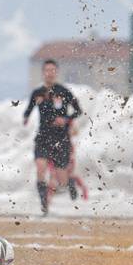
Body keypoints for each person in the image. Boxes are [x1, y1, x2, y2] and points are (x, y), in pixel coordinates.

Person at [23, 59, 82, 215]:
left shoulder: (64, 91)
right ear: (43, 73)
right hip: (43, 136)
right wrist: (25, 117)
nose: (50, 73)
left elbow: (78, 110)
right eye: (47, 70)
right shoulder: (38, 93)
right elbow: (28, 110)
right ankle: (43, 202)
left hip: (61, 138)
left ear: (56, 72)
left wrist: (66, 119)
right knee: (40, 167)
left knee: (61, 178)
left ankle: (69, 182)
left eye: (52, 70)